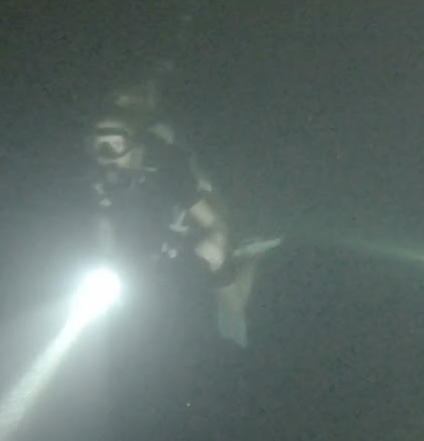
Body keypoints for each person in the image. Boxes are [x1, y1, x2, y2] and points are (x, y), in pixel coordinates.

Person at [82, 82, 279, 347]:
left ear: (135, 148)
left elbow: (212, 220)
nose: (107, 157)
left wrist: (217, 245)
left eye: (116, 145)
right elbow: (103, 223)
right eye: (100, 146)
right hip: (153, 232)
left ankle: (252, 256)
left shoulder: (167, 169)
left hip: (188, 226)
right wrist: (106, 264)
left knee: (233, 306)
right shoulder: (97, 183)